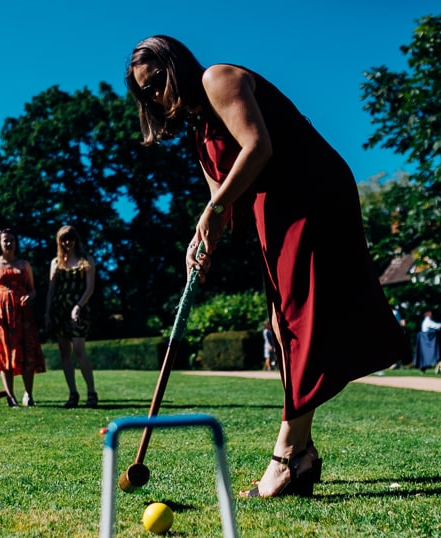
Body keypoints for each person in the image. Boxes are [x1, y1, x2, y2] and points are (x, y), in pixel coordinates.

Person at [126, 36, 406, 497]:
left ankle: (287, 456)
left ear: (177, 65)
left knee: (299, 319)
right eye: (144, 91)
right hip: (273, 212)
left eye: (157, 80)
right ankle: (304, 453)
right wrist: (202, 241)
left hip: (309, 197)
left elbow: (258, 146)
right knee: (281, 324)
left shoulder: (218, 78)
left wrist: (214, 211)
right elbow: (221, 200)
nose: (154, 94)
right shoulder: (199, 130)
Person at [0, 229, 46, 407]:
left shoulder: (24, 264)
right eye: (5, 240)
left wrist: (29, 296)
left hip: (23, 314)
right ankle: (11, 396)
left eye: (11, 240)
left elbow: (33, 290)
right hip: (0, 314)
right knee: (5, 353)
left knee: (26, 350)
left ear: (16, 243)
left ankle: (28, 394)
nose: (9, 243)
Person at [44, 225, 98, 408]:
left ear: (76, 239)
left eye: (70, 238)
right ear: (60, 242)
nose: (68, 242)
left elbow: (90, 288)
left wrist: (78, 306)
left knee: (79, 349)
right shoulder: (56, 262)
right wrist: (48, 313)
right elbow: (51, 289)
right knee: (64, 352)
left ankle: (91, 392)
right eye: (64, 240)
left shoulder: (86, 260)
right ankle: (73, 393)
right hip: (59, 310)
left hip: (79, 309)